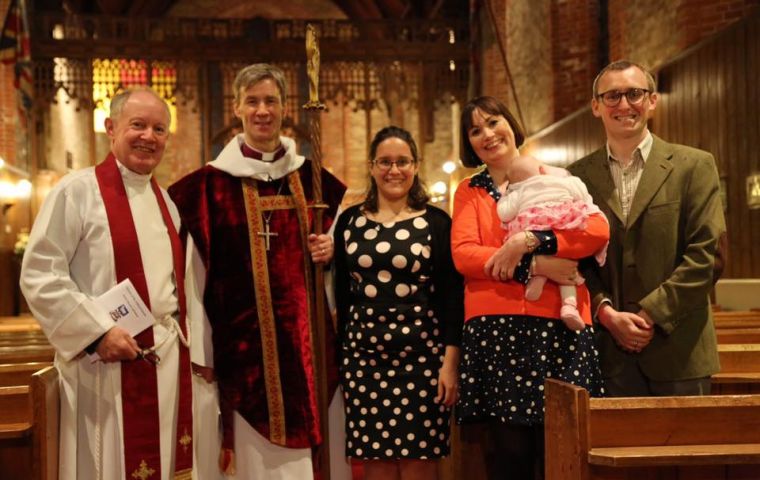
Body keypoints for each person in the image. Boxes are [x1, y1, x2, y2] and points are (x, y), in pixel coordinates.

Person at [168, 63, 350, 479]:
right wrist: (203, 351)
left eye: (271, 101)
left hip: (308, 355)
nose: (262, 110)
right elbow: (195, 278)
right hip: (242, 355)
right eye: (253, 101)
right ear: (237, 108)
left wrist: (331, 253)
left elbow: (340, 270)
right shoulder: (206, 189)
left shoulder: (314, 181)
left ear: (286, 108)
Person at [20, 87, 194, 479]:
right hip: (104, 367)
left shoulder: (167, 203)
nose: (149, 136)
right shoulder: (77, 191)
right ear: (111, 128)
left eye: (159, 129)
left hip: (162, 363)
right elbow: (40, 274)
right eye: (138, 125)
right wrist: (97, 334)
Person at [451, 96, 609, 479]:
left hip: (560, 326)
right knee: (509, 452)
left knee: (564, 447)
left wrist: (532, 242)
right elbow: (466, 255)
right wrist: (536, 267)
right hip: (497, 330)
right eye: (475, 130)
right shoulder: (470, 191)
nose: (487, 134)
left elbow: (596, 230)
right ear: (468, 143)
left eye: (493, 122)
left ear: (511, 123)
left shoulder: (555, 174)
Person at [567, 60, 726, 397]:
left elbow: (708, 255)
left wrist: (650, 314)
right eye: (612, 96)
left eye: (635, 94)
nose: (624, 105)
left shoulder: (694, 166)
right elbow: (575, 260)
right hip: (608, 353)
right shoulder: (575, 177)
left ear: (652, 101)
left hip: (680, 350)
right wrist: (606, 314)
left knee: (685, 450)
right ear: (596, 106)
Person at [332, 126, 464, 480]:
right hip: (364, 360)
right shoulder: (349, 222)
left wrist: (450, 365)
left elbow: (453, 298)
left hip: (422, 360)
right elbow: (343, 298)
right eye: (385, 162)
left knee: (419, 462)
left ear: (416, 165)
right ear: (372, 166)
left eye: (403, 161)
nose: (394, 170)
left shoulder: (436, 222)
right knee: (374, 464)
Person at [496, 154, 608, 331]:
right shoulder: (560, 181)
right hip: (561, 225)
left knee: (539, 252)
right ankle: (569, 305)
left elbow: (504, 213)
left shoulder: (519, 191)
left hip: (533, 228)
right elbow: (581, 192)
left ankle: (537, 281)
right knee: (566, 261)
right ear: (542, 169)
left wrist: (504, 195)